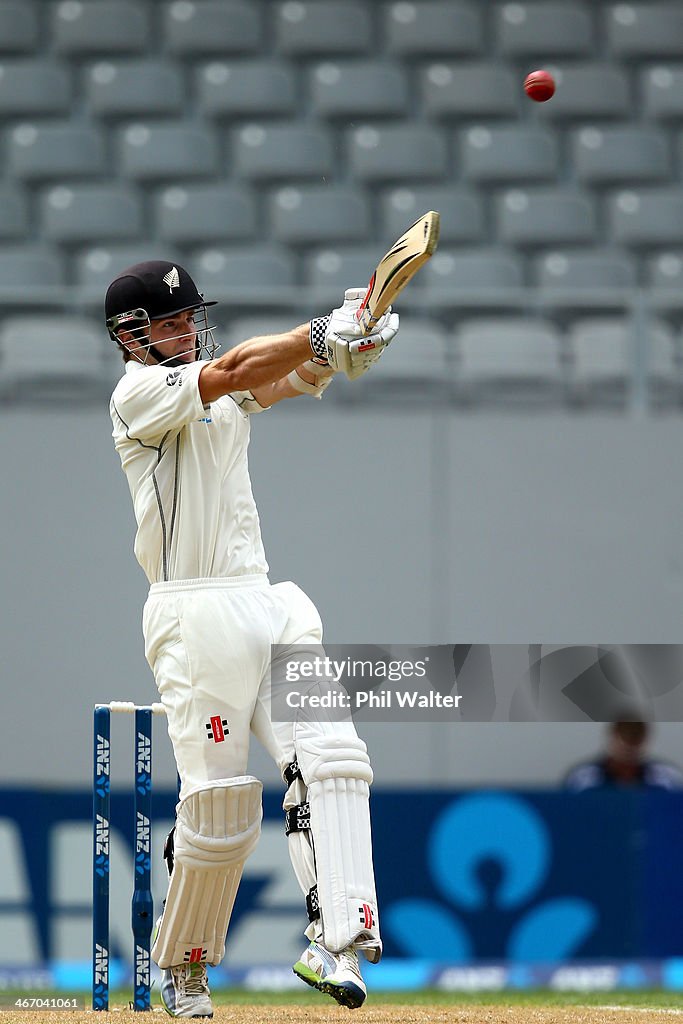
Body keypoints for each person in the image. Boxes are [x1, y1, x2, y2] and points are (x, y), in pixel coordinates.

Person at [105, 261, 397, 1016]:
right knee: (221, 806)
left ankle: (334, 937)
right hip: (192, 617)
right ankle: (186, 965)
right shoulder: (139, 394)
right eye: (168, 322)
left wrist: (342, 350)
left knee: (333, 757)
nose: (184, 330)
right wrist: (319, 333)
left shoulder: (213, 382)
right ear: (130, 337)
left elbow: (272, 382)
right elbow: (237, 368)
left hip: (265, 601)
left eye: (186, 318)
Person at [564, 717, 683, 791]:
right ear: (612, 738)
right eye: (625, 737)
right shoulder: (582, 779)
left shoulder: (668, 778)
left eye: (636, 738)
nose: (630, 747)